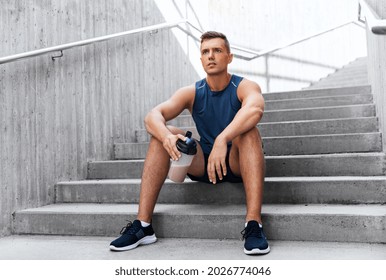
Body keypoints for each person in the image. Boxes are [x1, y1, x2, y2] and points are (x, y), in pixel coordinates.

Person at [110, 31, 270, 255]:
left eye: (217, 50)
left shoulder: (243, 86)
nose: (211, 56)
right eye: (205, 52)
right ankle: (143, 226)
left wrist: (223, 139)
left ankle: (254, 224)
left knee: (249, 133)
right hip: (204, 163)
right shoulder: (193, 92)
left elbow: (255, 108)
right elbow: (152, 116)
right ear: (201, 58)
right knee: (162, 133)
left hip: (237, 161)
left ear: (229, 57)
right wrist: (168, 138)